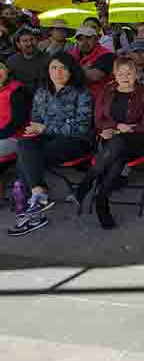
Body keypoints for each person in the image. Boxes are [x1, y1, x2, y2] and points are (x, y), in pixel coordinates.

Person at [8, 53, 93, 237]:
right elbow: (36, 121)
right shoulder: (42, 91)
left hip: (75, 142)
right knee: (25, 143)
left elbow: (81, 127)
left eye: (63, 68)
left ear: (72, 71)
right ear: (47, 70)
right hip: (46, 139)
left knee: (28, 158)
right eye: (53, 68)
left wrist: (45, 128)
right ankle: (37, 194)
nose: (58, 72)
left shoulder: (81, 92)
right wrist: (35, 129)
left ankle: (30, 207)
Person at [76, 57, 144, 229]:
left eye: (129, 73)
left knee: (118, 145)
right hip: (113, 140)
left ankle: (88, 180)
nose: (125, 77)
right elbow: (98, 120)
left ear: (137, 74)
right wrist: (113, 127)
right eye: (121, 73)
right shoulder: (107, 91)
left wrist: (119, 130)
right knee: (118, 153)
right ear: (114, 75)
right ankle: (101, 201)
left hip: (139, 139)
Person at [70, 25, 115, 103]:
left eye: (88, 38)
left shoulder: (107, 55)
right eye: (80, 39)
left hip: (99, 100)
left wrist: (71, 68)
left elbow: (95, 76)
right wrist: (84, 69)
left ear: (96, 39)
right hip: (75, 99)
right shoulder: (72, 53)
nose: (84, 42)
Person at [0, 60, 30, 160]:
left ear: (7, 71)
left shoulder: (17, 92)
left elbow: (17, 123)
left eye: (0, 68)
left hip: (14, 137)